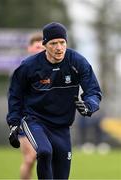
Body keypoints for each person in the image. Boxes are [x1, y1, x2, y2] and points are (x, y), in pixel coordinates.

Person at [7, 22, 102, 179]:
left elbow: (93, 90)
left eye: (62, 42)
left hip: (62, 126)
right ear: (45, 45)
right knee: (44, 152)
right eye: (53, 43)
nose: (59, 47)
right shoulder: (28, 67)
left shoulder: (77, 62)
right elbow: (15, 95)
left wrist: (89, 105)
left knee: (61, 176)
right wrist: (13, 122)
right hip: (34, 120)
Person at [18, 32, 44, 180]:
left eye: (43, 47)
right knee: (30, 157)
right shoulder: (23, 70)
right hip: (26, 119)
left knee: (48, 157)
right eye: (37, 47)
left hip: (46, 120)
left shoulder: (52, 70)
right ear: (29, 48)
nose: (40, 50)